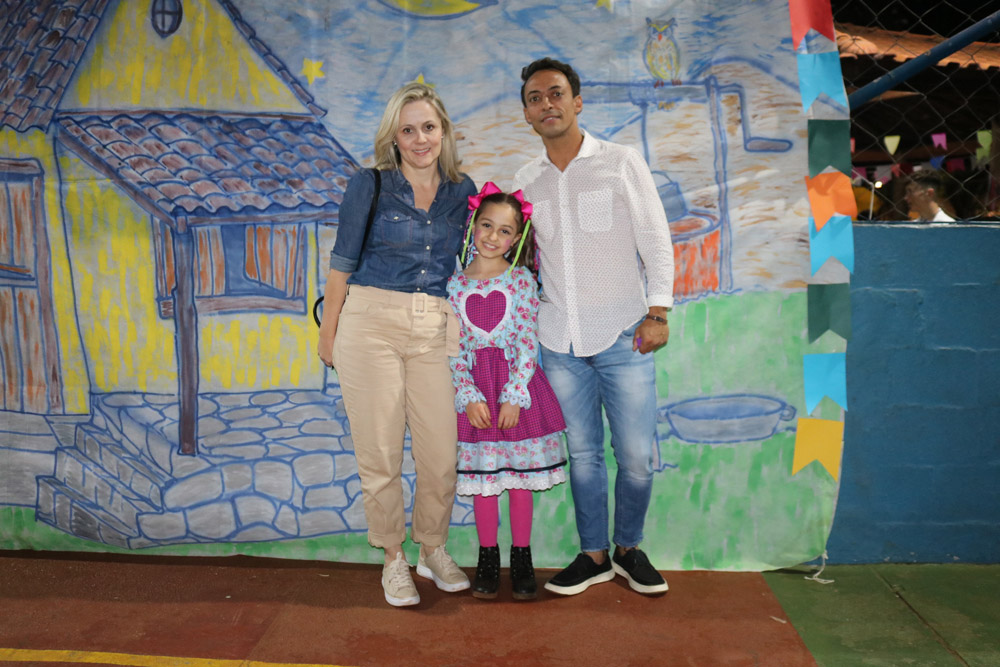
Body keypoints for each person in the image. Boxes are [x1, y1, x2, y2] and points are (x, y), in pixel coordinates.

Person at [512, 57, 674, 597]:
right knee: (582, 455)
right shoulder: (525, 182)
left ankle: (629, 548)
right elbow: (520, 258)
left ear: (576, 101)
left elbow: (656, 239)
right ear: (527, 114)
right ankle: (594, 555)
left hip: (625, 335)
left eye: (556, 93)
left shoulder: (621, 162)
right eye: (535, 98)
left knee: (635, 457)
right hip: (558, 341)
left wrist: (658, 311)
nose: (547, 104)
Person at [317, 82, 477, 607]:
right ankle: (393, 559)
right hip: (370, 324)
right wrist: (328, 334)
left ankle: (432, 548)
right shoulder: (370, 185)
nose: (419, 139)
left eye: (428, 127)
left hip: (434, 328)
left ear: (443, 131)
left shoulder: (463, 191)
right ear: (394, 137)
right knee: (381, 453)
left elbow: (473, 262)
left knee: (441, 457)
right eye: (408, 130)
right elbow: (341, 264)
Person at [446, 184, 567, 601]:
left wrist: (515, 394)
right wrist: (468, 394)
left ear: (516, 239)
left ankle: (521, 558)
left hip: (516, 393)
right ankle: (486, 558)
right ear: (472, 226)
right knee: (484, 479)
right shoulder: (454, 286)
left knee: (518, 479)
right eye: (486, 226)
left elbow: (526, 341)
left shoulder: (521, 282)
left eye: (504, 231)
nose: (493, 237)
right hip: (477, 395)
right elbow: (453, 347)